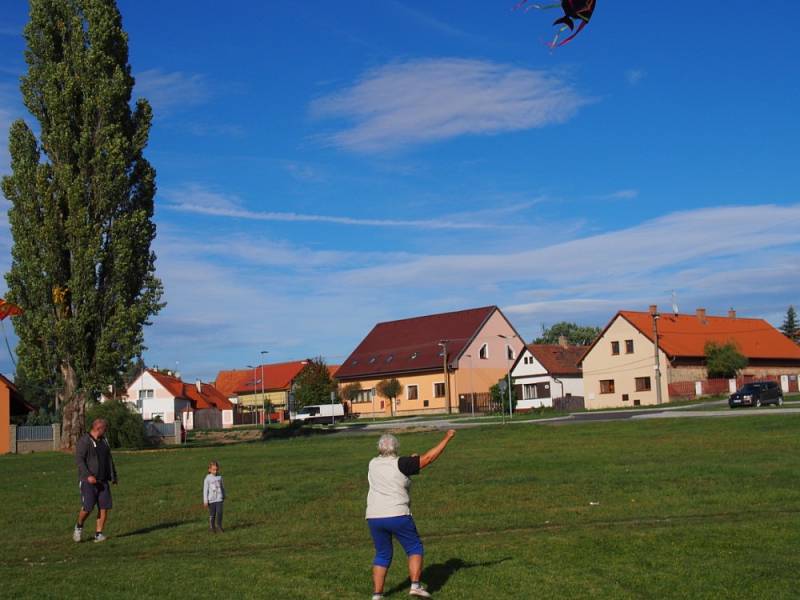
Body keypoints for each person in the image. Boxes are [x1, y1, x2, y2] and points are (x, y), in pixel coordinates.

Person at [366, 429, 456, 599]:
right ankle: (415, 585)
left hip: (374, 516)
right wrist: (447, 438)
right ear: (396, 448)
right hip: (397, 514)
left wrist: (412, 459)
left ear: (379, 448)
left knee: (382, 554)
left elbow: (397, 466)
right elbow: (428, 458)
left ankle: (377, 595)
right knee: (414, 547)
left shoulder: (372, 463)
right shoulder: (402, 464)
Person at [73, 418, 118, 543]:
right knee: (88, 507)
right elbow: (79, 460)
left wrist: (113, 475)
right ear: (99, 428)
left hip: (103, 481)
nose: (106, 431)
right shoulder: (84, 441)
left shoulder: (104, 441)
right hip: (88, 481)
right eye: (105, 429)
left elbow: (109, 458)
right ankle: (79, 526)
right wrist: (88, 475)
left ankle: (99, 534)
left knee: (104, 507)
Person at [203, 460, 226, 533]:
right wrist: (205, 501)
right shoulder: (207, 479)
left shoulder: (219, 477)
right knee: (212, 514)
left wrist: (224, 495)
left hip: (219, 499)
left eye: (216, 469)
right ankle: (212, 527)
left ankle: (219, 526)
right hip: (211, 500)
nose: (215, 471)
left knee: (220, 512)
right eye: (213, 470)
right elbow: (205, 490)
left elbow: (222, 487)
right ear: (209, 470)